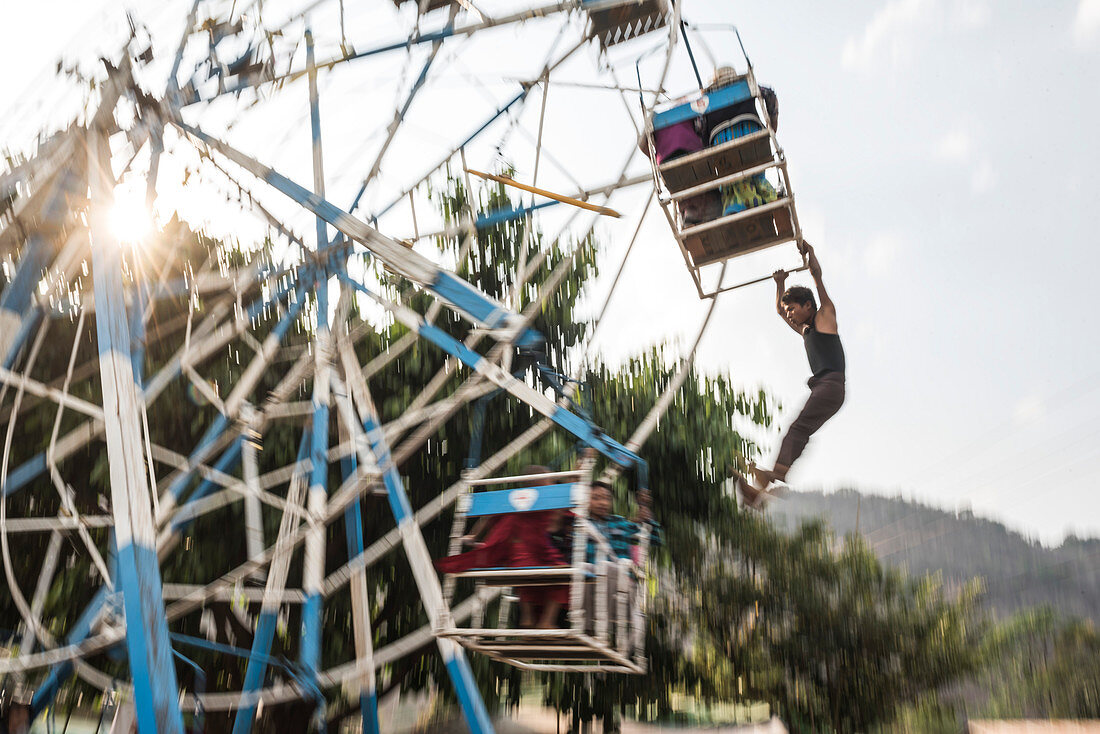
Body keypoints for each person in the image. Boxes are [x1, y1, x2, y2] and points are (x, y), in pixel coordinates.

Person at [734, 241, 845, 508]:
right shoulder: (806, 330)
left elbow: (818, 279)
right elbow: (778, 311)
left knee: (796, 430)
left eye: (793, 309)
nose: (791, 316)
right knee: (800, 432)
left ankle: (772, 475)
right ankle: (761, 492)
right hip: (825, 389)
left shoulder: (824, 317)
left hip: (830, 385)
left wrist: (812, 256)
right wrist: (779, 284)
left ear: (808, 305)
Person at [435, 466, 569, 628]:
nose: (553, 483)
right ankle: (546, 621)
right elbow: (569, 497)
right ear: (538, 482)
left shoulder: (511, 500)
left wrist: (474, 535)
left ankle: (527, 617)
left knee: (525, 576)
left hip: (520, 557)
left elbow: (489, 514)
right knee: (563, 575)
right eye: (550, 480)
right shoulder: (548, 498)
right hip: (538, 554)